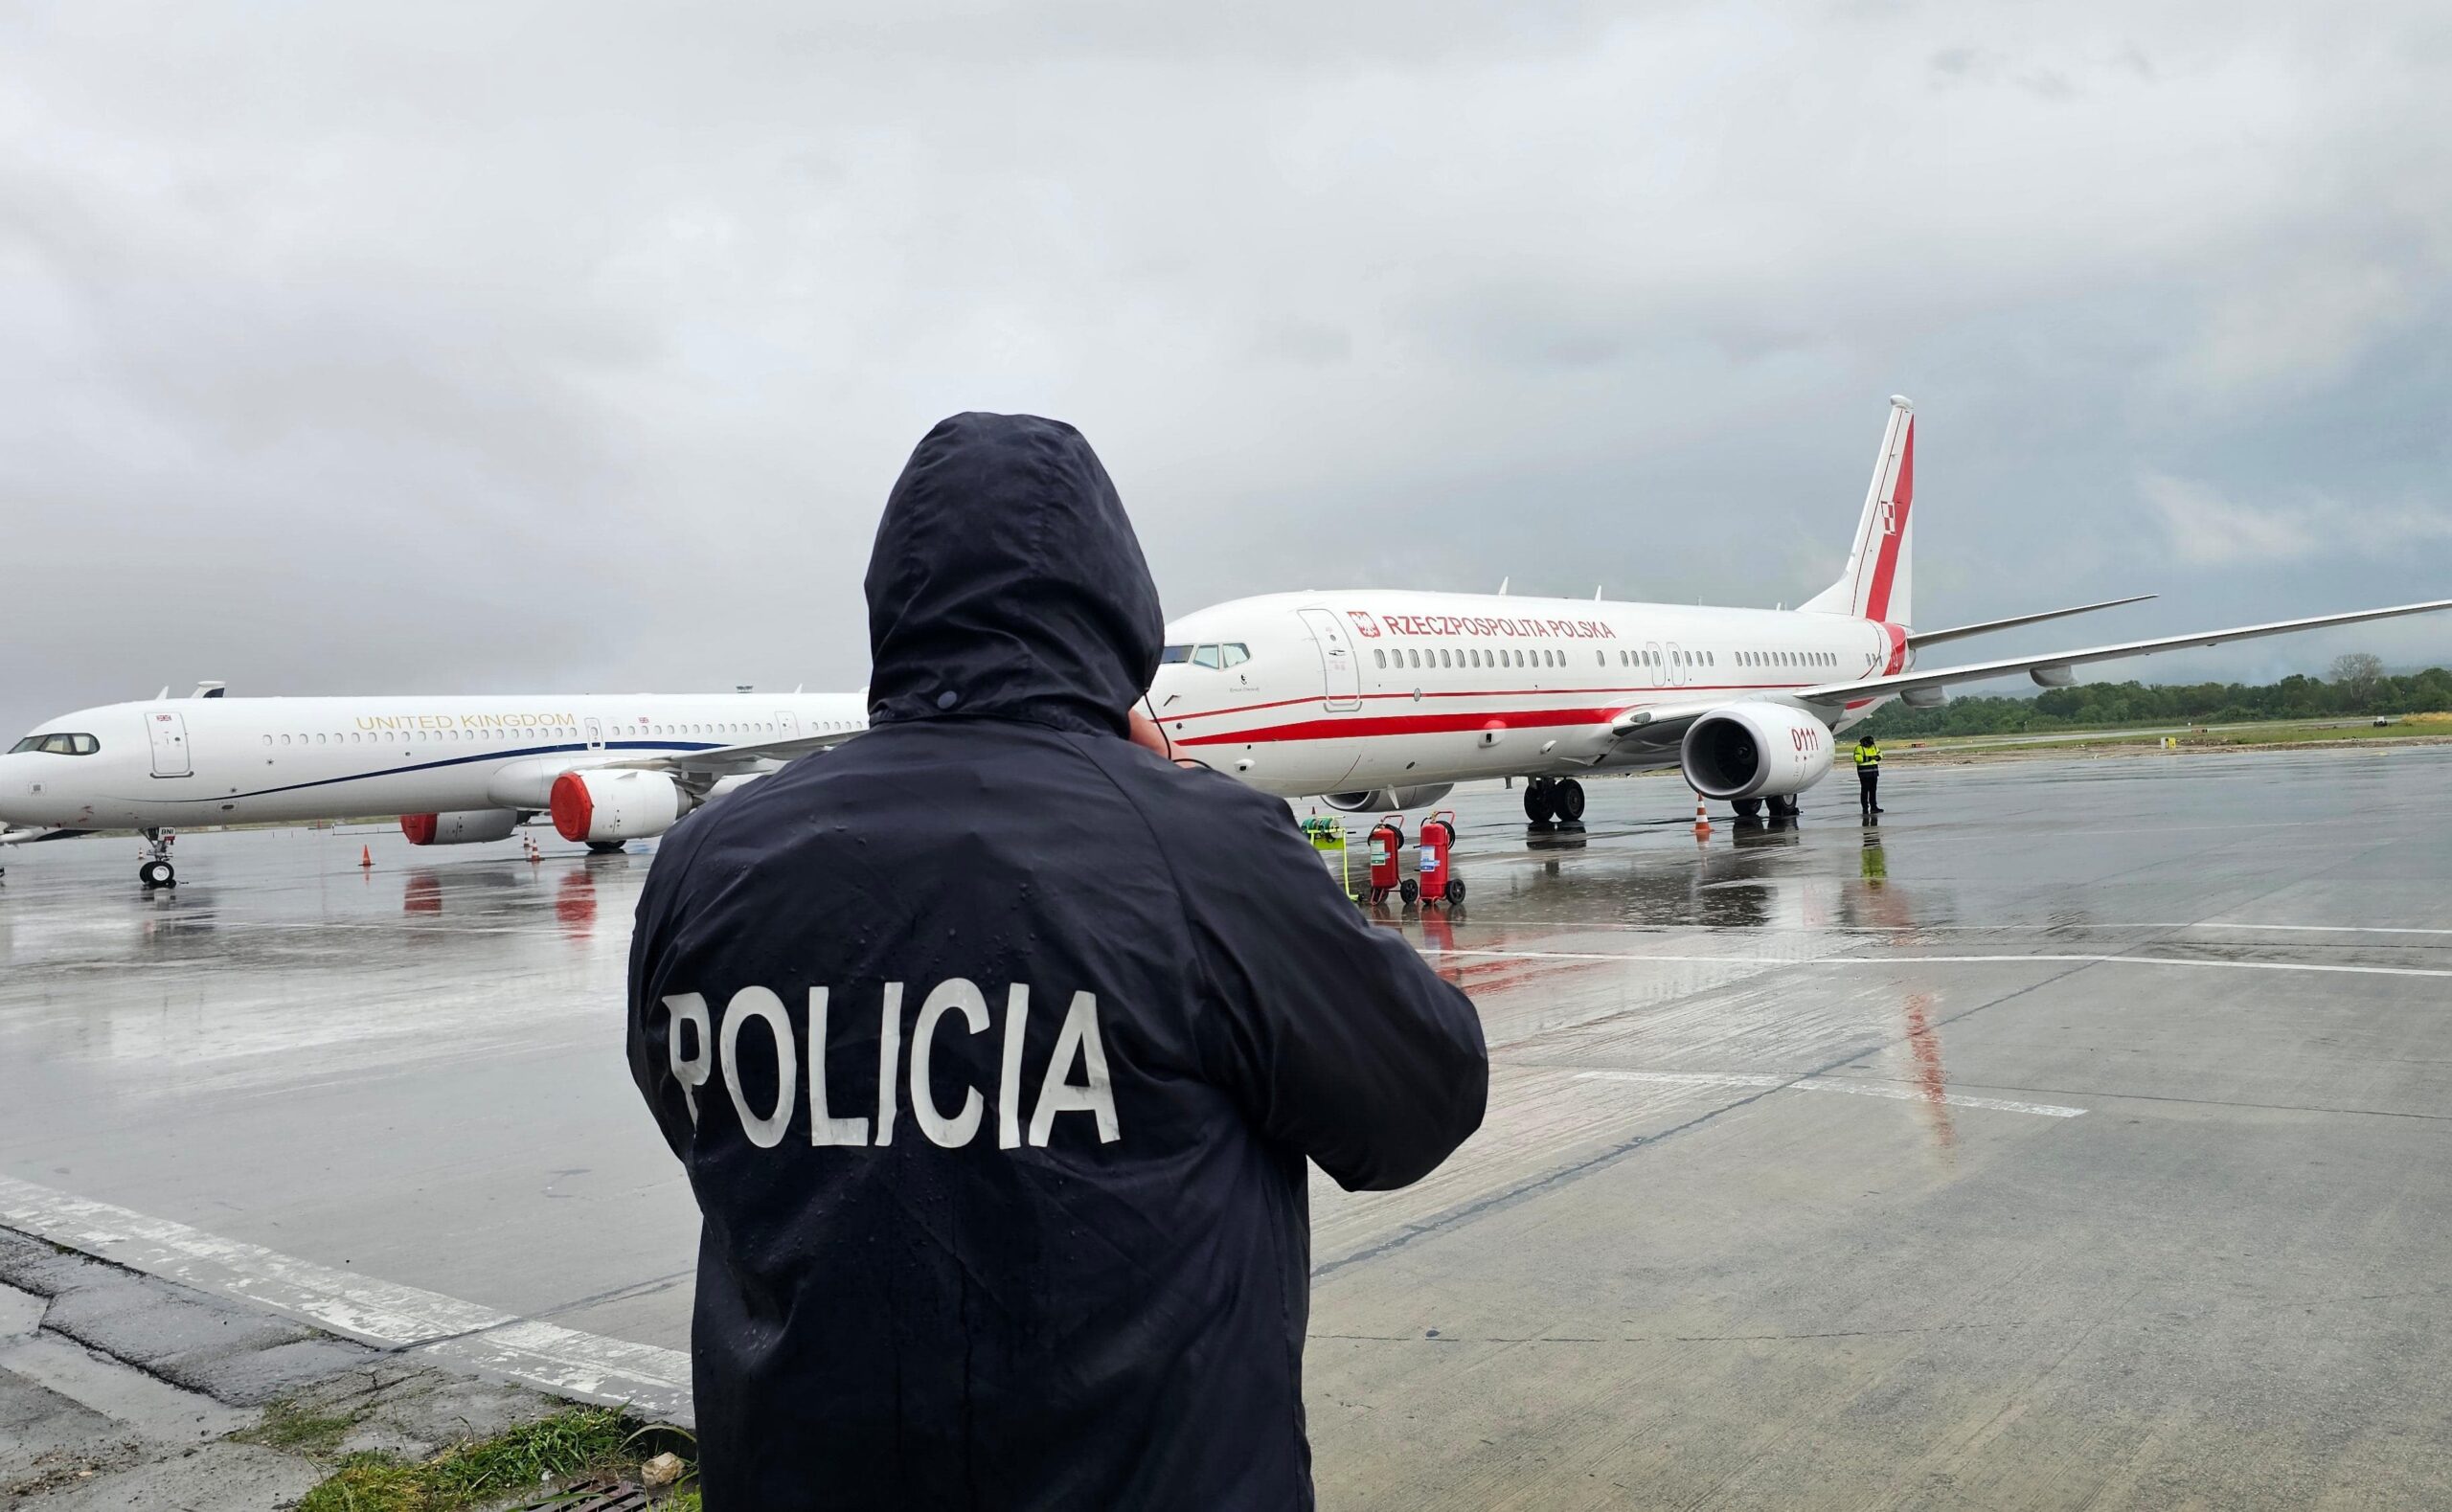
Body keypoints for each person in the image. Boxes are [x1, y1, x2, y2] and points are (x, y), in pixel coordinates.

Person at [627, 412, 1489, 1511]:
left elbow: (697, 1119)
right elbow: (1421, 1099)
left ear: (894, 600)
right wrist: (1184, 814)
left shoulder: (705, 861)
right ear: (1116, 602)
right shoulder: (1198, 850)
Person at [1854, 732, 1883, 818]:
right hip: (1864, 774)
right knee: (1865, 791)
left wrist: (1878, 757)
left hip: (1874, 773)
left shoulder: (1874, 747)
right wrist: (1870, 758)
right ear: (1865, 742)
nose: (1871, 745)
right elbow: (1858, 758)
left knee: (1873, 791)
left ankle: (1874, 807)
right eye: (1869, 744)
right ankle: (1865, 808)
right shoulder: (1859, 748)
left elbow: (1880, 753)